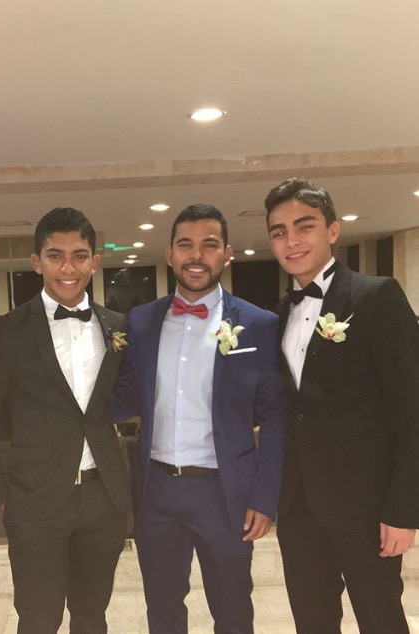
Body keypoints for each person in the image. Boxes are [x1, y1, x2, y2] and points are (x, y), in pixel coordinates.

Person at [112, 204, 286, 634]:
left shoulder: (259, 324)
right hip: (156, 491)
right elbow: (126, 394)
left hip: (225, 492)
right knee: (163, 609)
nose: (196, 256)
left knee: (232, 610)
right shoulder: (142, 321)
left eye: (209, 245)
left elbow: (276, 415)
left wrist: (265, 497)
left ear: (227, 253)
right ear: (169, 253)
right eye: (185, 245)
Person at [265, 177, 419, 634]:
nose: (291, 241)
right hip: (299, 505)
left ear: (332, 230)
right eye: (279, 231)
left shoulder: (377, 296)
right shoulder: (279, 314)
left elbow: (411, 411)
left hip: (367, 506)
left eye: (304, 226)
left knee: (381, 619)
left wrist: (403, 510)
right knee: (312, 621)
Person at [0, 207, 131, 634]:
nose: (68, 268)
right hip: (33, 502)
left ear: (94, 262)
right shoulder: (7, 332)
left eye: (79, 256)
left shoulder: (117, 326)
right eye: (55, 255)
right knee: (39, 619)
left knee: (92, 616)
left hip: (102, 498)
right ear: (36, 261)